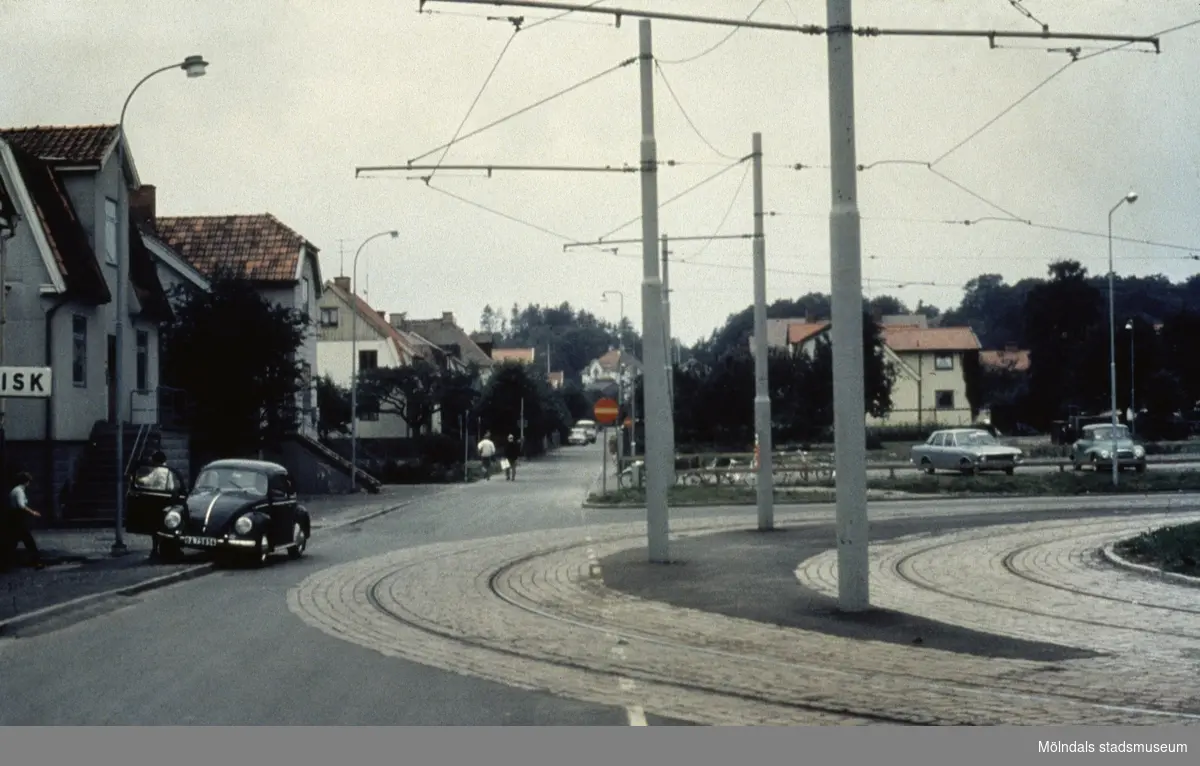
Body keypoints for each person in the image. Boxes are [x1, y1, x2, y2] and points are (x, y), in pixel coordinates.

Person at [3, 472, 44, 571]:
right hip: (18, 519)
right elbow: (21, 506)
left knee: (12, 542)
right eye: (29, 482)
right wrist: (33, 512)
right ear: (26, 482)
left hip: (14, 518)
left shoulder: (15, 490)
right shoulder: (19, 491)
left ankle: (5, 563)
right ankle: (37, 561)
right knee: (29, 541)